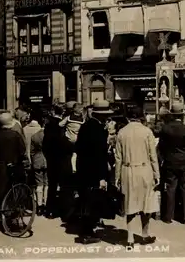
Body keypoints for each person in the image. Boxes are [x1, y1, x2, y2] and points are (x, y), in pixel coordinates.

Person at [114, 106, 160, 247]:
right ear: (141, 116)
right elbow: (153, 155)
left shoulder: (121, 132)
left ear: (128, 117)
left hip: (127, 170)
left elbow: (118, 158)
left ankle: (130, 238)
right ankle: (144, 235)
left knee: (130, 204)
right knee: (146, 203)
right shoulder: (147, 132)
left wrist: (117, 177)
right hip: (145, 169)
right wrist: (156, 173)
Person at [75, 100, 111, 244]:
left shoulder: (85, 126)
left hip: (83, 168)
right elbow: (100, 156)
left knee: (85, 201)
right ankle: (87, 233)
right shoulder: (98, 130)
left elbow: (78, 147)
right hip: (94, 171)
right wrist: (102, 177)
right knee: (92, 202)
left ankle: (86, 230)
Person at [0, 112, 27, 231]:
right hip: (15, 166)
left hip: (1, 166)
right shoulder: (15, 135)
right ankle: (12, 219)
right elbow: (22, 150)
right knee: (15, 193)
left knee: (1, 192)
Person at [158, 102, 185, 224]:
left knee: (170, 188)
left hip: (170, 162)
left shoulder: (165, 129)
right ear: (182, 115)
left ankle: (168, 216)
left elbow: (161, 146)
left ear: (172, 114)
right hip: (184, 162)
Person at [42, 105, 74, 220]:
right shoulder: (62, 126)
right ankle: (65, 212)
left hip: (52, 160)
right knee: (65, 186)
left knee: (52, 186)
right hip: (63, 160)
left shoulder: (48, 126)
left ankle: (50, 210)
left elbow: (45, 145)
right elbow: (67, 143)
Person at [30, 115, 48, 216]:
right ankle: (45, 204)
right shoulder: (48, 135)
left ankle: (39, 206)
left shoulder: (35, 136)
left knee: (39, 184)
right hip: (47, 160)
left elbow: (32, 151)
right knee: (47, 183)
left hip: (37, 160)